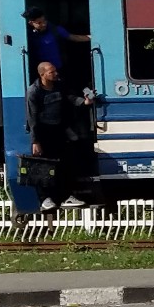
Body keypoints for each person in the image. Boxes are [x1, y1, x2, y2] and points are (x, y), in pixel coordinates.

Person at [25, 59, 93, 212]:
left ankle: (67, 196)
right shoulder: (34, 91)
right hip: (43, 132)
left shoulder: (59, 85)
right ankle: (45, 199)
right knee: (43, 165)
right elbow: (32, 117)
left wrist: (84, 102)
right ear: (42, 74)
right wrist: (35, 140)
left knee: (65, 163)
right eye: (51, 72)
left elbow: (69, 97)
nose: (56, 74)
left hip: (59, 130)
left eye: (55, 71)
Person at [24, 9, 91, 85]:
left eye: (44, 21)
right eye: (39, 23)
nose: (44, 24)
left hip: (58, 69)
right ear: (31, 23)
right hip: (39, 70)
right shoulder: (28, 35)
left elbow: (74, 37)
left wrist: (94, 37)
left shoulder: (55, 30)